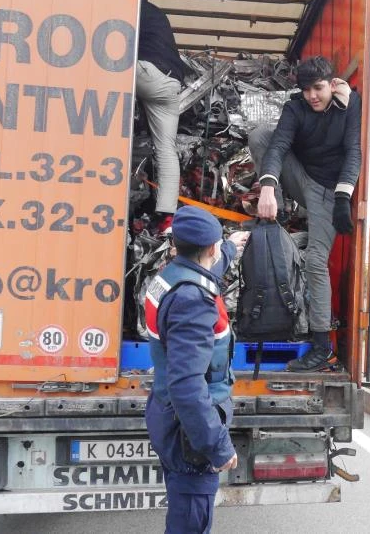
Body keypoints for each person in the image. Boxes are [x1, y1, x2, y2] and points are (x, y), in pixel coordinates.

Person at [247, 56, 362, 372]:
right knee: (261, 135)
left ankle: (322, 347)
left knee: (314, 261)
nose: (313, 95)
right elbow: (278, 146)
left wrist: (343, 198)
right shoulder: (296, 108)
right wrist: (268, 189)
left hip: (330, 191)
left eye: (319, 88)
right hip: (301, 179)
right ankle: (279, 214)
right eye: (306, 89)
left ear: (333, 83)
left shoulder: (350, 106)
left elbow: (354, 152)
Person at [143, 206, 249, 534]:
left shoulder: (169, 276)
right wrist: (216, 446)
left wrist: (232, 245)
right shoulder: (193, 300)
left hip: (167, 414)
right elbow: (187, 385)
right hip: (189, 431)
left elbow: (209, 265)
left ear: (176, 245)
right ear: (210, 247)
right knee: (190, 524)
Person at [135, 0, 190, 231]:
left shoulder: (130, 8)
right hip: (171, 83)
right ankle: (167, 216)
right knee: (167, 149)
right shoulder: (158, 14)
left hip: (145, 71)